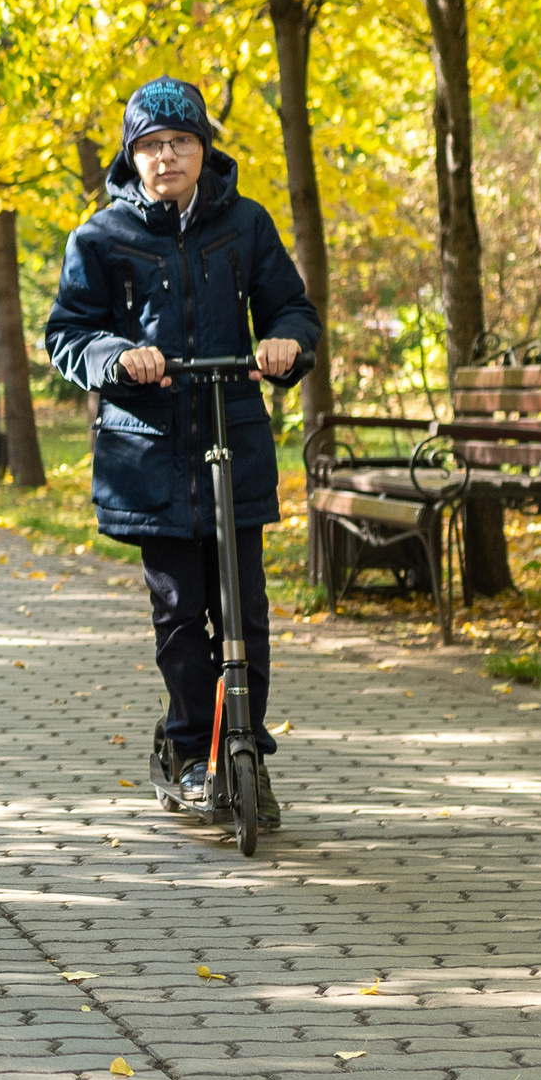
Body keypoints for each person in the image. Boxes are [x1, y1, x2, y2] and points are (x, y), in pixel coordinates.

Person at [44, 76, 320, 828]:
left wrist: (286, 343)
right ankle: (195, 746)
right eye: (152, 144)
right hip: (151, 455)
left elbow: (291, 305)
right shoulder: (100, 237)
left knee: (245, 609)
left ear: (204, 148)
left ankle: (246, 748)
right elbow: (67, 332)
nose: (167, 155)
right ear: (132, 156)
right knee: (179, 609)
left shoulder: (247, 225)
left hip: (233, 438)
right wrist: (118, 355)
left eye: (181, 141)